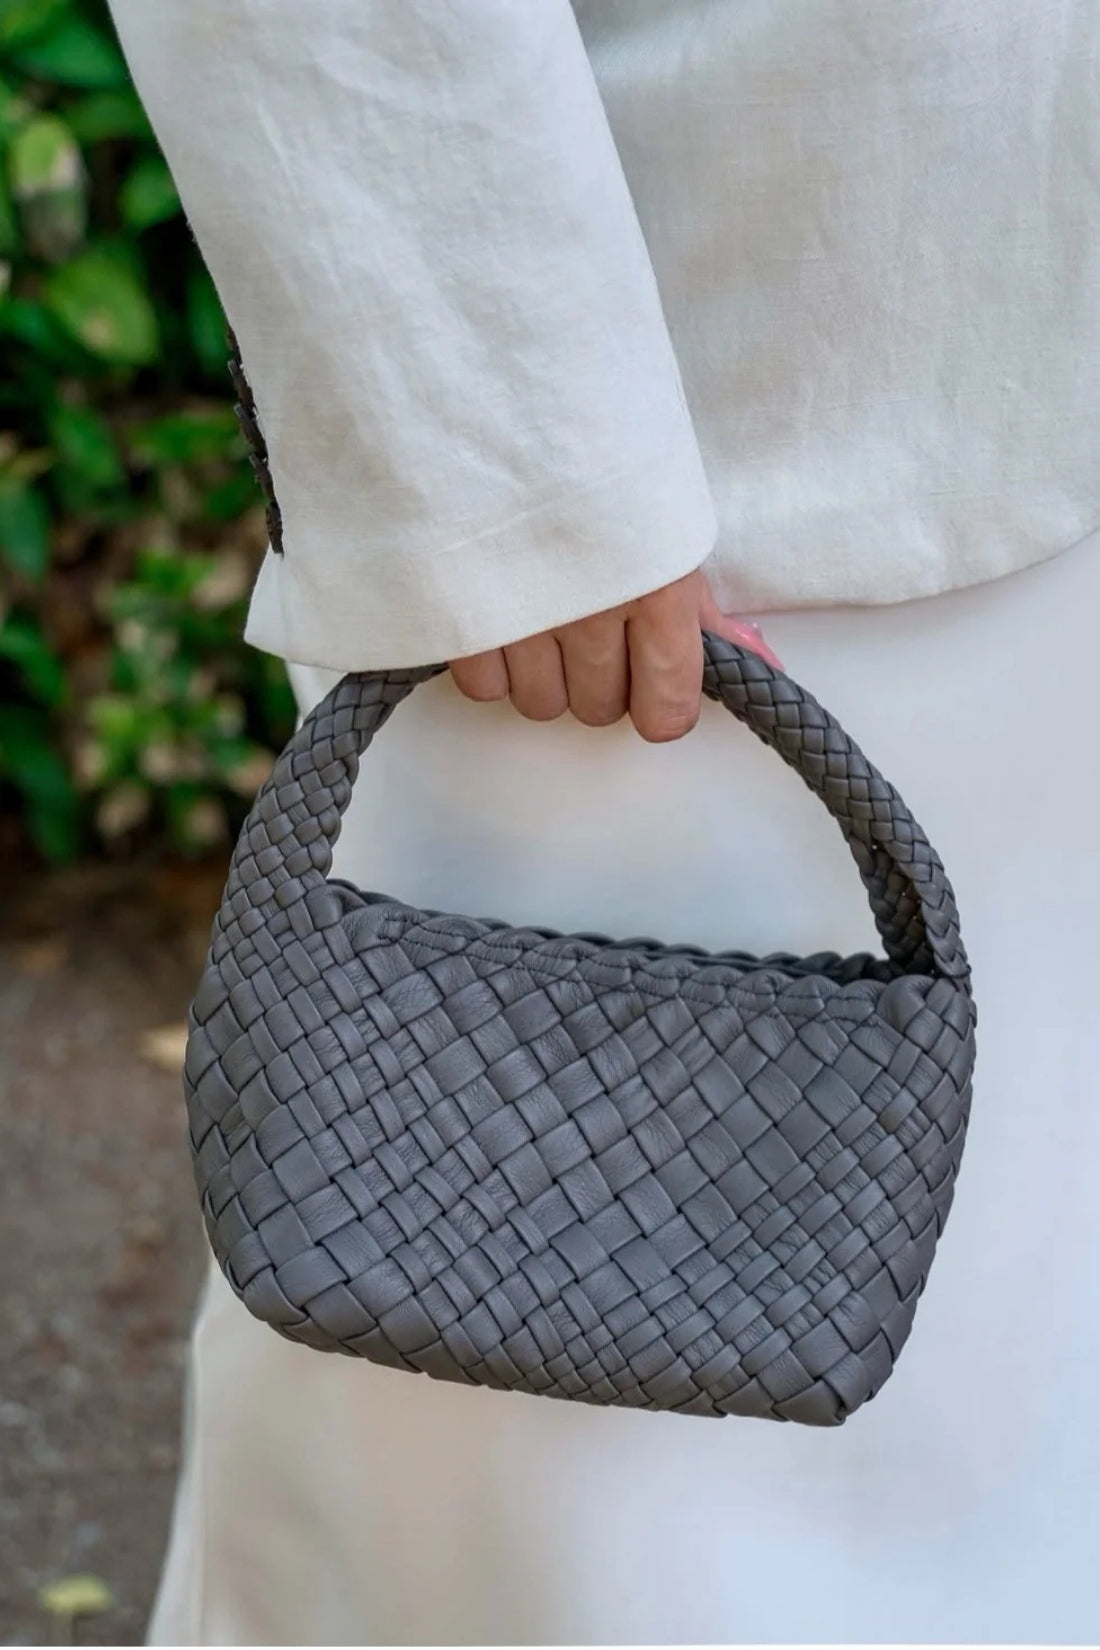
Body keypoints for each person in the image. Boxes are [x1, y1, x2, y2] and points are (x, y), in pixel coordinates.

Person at [106, 2, 1100, 1642]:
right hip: (679, 424)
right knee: (543, 1487)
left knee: (1017, 1398)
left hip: (1019, 344)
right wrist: (509, 453)